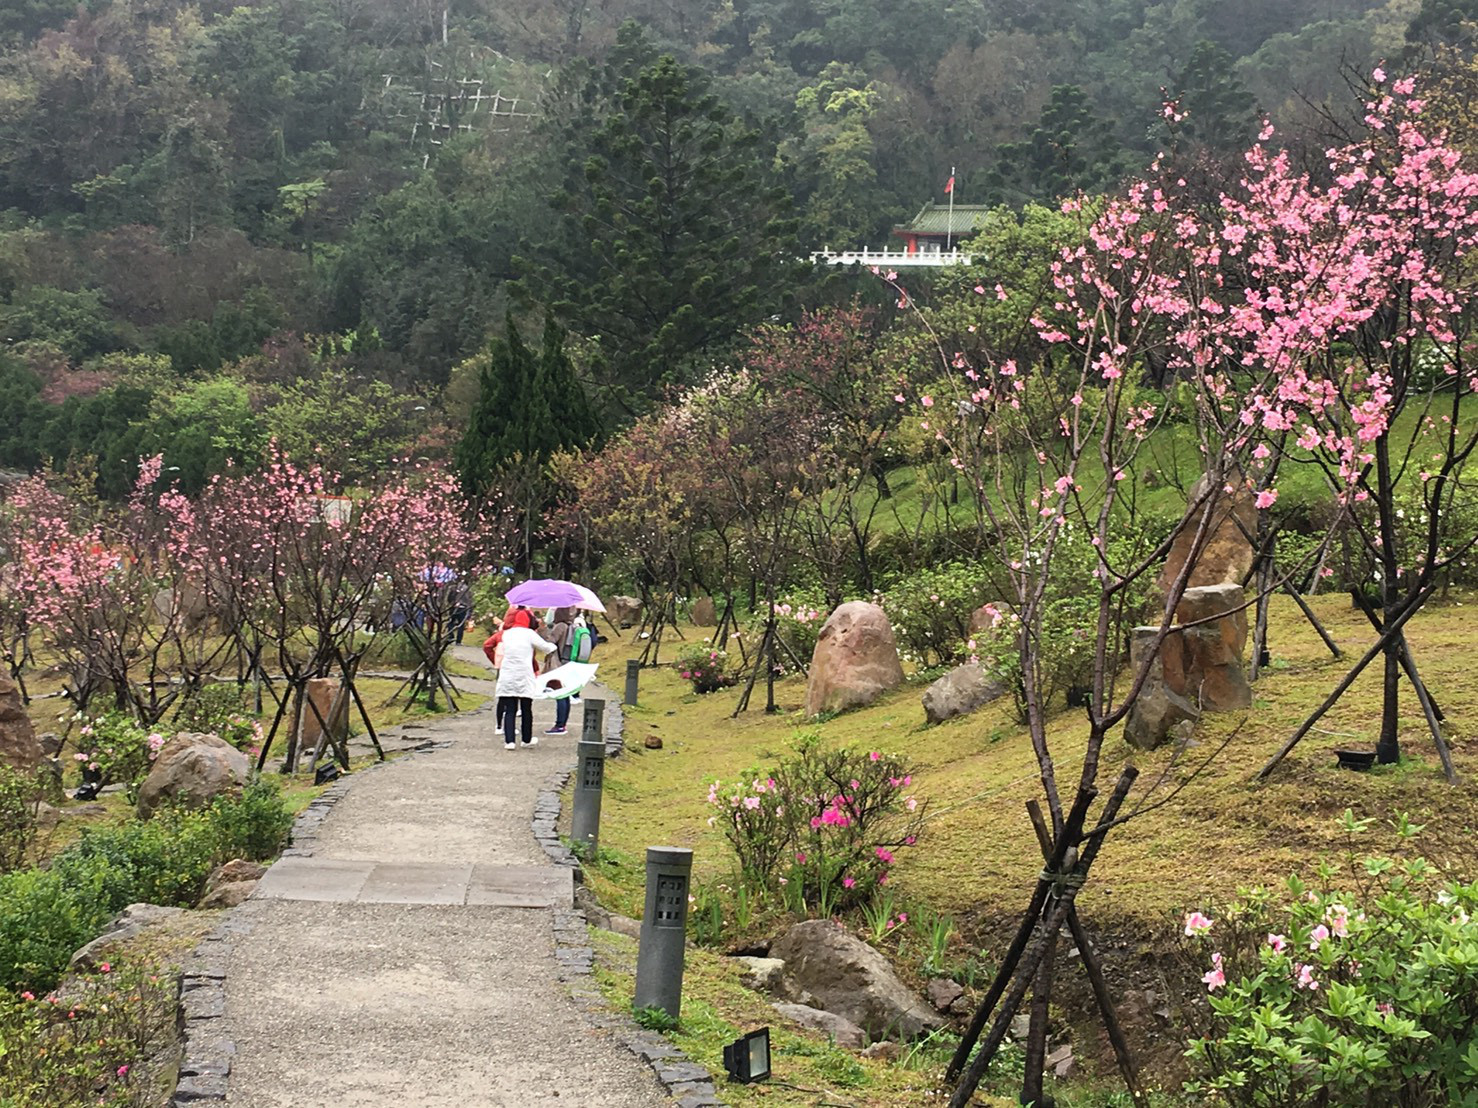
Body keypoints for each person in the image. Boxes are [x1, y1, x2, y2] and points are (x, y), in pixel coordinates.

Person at [493, 608, 557, 749]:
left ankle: (509, 741)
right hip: (524, 674)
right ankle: (526, 739)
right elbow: (546, 648)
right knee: (526, 708)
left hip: (507, 674)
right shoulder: (529, 634)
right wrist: (552, 644)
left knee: (510, 709)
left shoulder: (507, 634)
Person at [544, 606, 576, 735]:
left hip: (559, 664)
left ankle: (559, 725)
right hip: (567, 662)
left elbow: (550, 643)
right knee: (565, 694)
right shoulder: (572, 626)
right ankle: (563, 723)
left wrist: (544, 630)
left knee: (560, 695)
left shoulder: (560, 626)